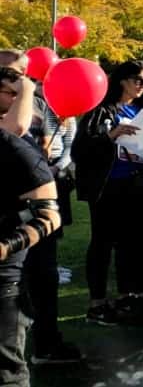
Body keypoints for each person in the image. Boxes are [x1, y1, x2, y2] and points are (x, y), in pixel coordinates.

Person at [72, 60, 143, 324]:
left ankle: (128, 296)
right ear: (122, 80)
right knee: (102, 243)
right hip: (107, 187)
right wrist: (111, 136)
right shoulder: (100, 110)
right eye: (138, 80)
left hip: (138, 185)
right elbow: (80, 150)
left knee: (134, 243)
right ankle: (97, 303)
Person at [0, 124, 64, 385]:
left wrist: (4, 247)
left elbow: (49, 218)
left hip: (4, 285)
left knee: (7, 376)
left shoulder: (15, 149)